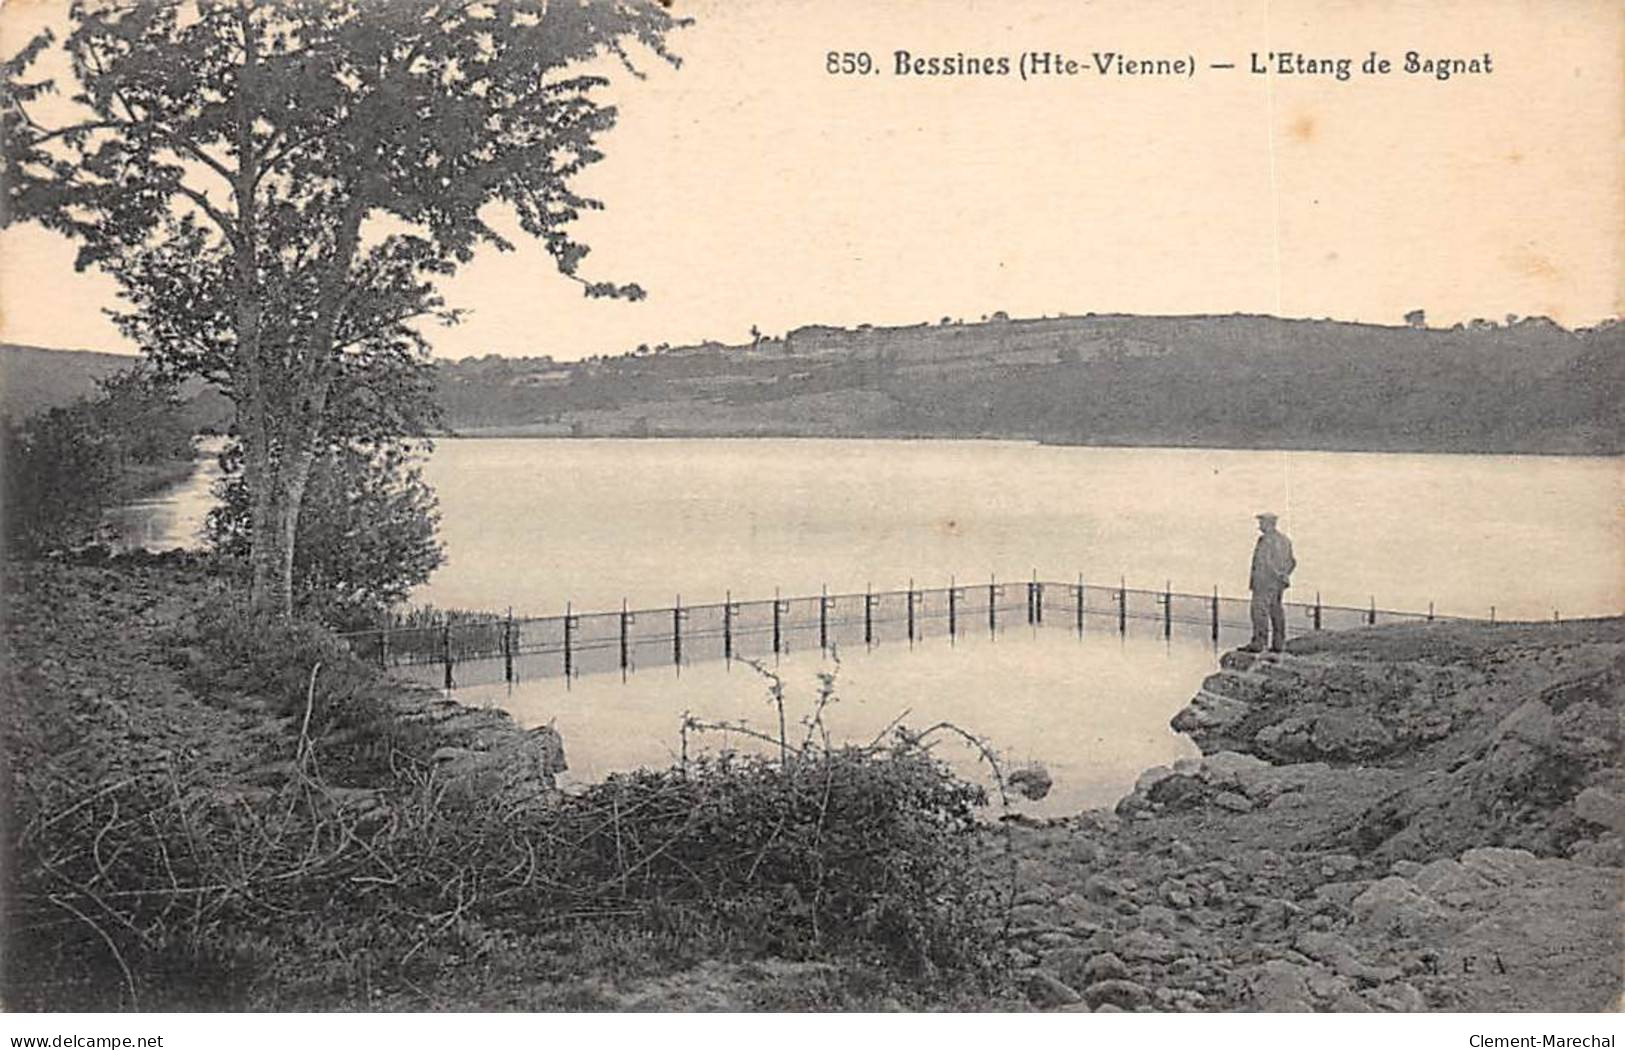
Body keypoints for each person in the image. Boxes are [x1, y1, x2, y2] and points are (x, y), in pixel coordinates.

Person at [1244, 512, 1295, 653]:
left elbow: (1266, 562)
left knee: (1259, 612)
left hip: (1264, 582)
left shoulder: (1266, 540)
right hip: (1278, 584)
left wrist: (1275, 574)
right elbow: (1292, 562)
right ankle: (1279, 644)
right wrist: (1284, 575)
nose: (1259, 525)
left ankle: (1259, 643)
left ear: (1268, 523)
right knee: (1276, 611)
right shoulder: (1285, 540)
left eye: (1261, 522)